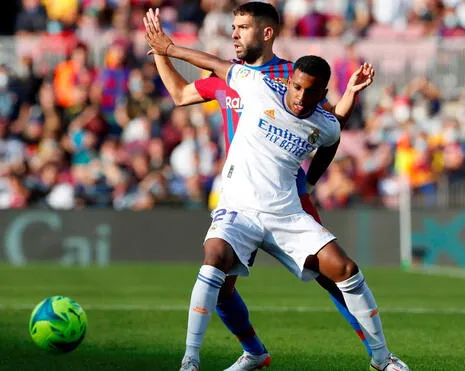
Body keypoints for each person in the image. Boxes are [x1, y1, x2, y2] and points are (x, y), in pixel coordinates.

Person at [142, 4, 380, 370]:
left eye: (242, 27)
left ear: (266, 33)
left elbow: (328, 122)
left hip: (290, 195)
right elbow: (179, 95)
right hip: (240, 190)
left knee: (333, 277)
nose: (234, 33)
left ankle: (379, 357)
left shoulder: (291, 76)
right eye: (233, 27)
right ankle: (254, 351)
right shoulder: (230, 75)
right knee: (220, 283)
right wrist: (161, 52)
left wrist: (314, 177)